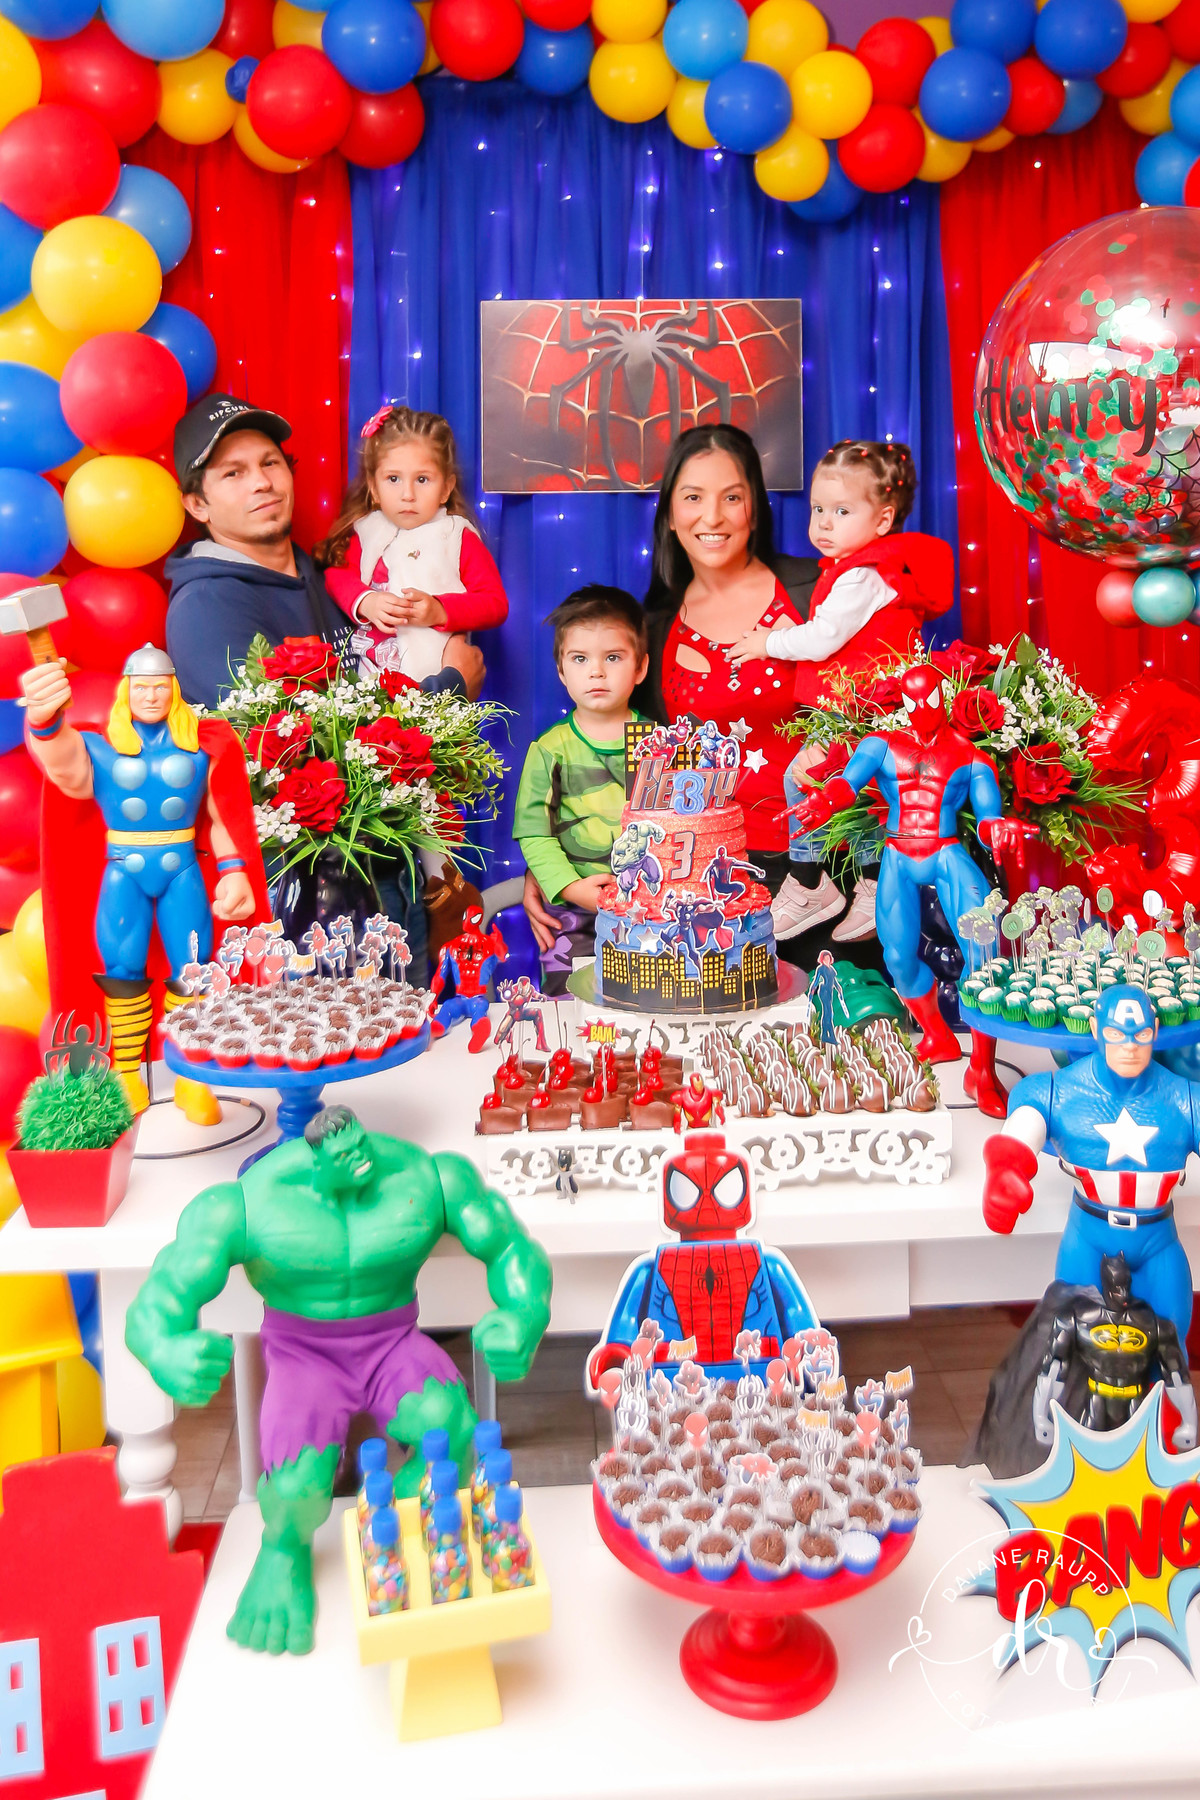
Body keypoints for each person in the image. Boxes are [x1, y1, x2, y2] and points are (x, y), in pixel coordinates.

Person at [126, 1105, 552, 1655]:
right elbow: (161, 1294)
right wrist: (164, 1347)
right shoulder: (250, 1203)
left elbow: (511, 1246)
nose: (360, 1162)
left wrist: (524, 1313)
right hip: (304, 1356)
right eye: (344, 1156)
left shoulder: (426, 1178)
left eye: (362, 1149)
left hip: (392, 1343)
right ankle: (283, 1551)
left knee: (454, 1434)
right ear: (313, 1162)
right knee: (296, 1491)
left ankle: (406, 1528)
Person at [522, 426, 818, 963]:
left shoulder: (817, 592)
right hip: (700, 878)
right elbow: (619, 760)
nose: (712, 517)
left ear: (755, 507)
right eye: (693, 497)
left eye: (732, 497)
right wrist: (550, 870)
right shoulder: (654, 627)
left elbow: (874, 711)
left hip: (817, 871)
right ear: (670, 515)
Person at [19, 644, 268, 1120]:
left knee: (194, 969)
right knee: (122, 971)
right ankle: (128, 1075)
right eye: (141, 687)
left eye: (159, 686)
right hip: (123, 871)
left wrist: (234, 871)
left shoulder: (203, 746)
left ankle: (192, 1076)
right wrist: (44, 718)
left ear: (173, 689)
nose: (150, 696)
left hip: (182, 870)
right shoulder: (100, 747)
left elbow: (222, 815)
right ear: (125, 691)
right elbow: (65, 765)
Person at [730, 439, 953, 946]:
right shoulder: (856, 570)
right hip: (859, 709)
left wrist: (769, 643)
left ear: (883, 519)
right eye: (818, 509)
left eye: (842, 511)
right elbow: (843, 637)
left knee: (814, 782)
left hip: (864, 711)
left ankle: (817, 883)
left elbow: (824, 639)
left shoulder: (862, 576)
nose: (824, 523)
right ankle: (862, 883)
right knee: (853, 793)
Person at [165, 393, 484, 712]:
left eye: (269, 462)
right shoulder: (203, 608)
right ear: (198, 504)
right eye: (233, 473)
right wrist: (452, 686)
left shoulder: (334, 574)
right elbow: (287, 733)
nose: (261, 482)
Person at [981, 983, 1200, 1349]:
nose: (1129, 1047)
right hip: (1088, 1239)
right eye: (1116, 1034)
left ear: (1155, 1030)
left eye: (1140, 1035)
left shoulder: (1183, 1099)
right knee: (1069, 1348)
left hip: (1158, 1241)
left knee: (1170, 1348)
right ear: (1096, 1029)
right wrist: (1006, 1166)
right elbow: (1029, 1109)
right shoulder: (1065, 1091)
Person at [513, 586, 648, 993]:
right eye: (580, 659)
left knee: (645, 1000)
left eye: (613, 657)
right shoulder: (549, 749)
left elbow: (681, 821)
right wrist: (571, 888)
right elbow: (534, 832)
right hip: (571, 910)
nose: (596, 672)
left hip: (649, 910)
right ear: (561, 671)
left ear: (640, 668)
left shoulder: (661, 743)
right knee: (570, 1001)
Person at [316, 404, 507, 684]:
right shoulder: (366, 531)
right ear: (374, 488)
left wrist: (440, 610)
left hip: (436, 683)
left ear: (446, 488)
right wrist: (366, 601)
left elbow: (494, 603)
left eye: (422, 479)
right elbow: (336, 576)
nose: (408, 494)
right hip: (370, 683)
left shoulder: (457, 535)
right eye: (393, 479)